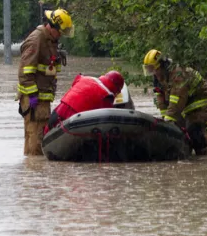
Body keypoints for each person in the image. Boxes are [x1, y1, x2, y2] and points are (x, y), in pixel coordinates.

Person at [17, 9, 73, 155]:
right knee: (36, 143)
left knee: (37, 140)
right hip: (34, 100)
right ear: (52, 27)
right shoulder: (37, 40)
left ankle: (34, 172)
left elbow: (51, 70)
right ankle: (34, 173)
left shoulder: (50, 40)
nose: (61, 35)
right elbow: (24, 72)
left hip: (43, 99)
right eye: (60, 31)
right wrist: (32, 96)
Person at [143, 49, 207, 155]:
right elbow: (162, 102)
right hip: (183, 105)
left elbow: (176, 101)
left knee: (197, 134)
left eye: (153, 69)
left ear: (162, 65)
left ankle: (206, 158)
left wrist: (168, 122)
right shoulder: (159, 77)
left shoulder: (178, 74)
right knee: (182, 136)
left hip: (198, 104)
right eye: (149, 70)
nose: (152, 73)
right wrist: (164, 121)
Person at [47, 70, 126, 129]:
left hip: (59, 111)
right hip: (75, 120)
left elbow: (75, 84)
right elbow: (107, 120)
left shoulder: (85, 78)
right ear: (116, 89)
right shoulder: (108, 96)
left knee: (46, 134)